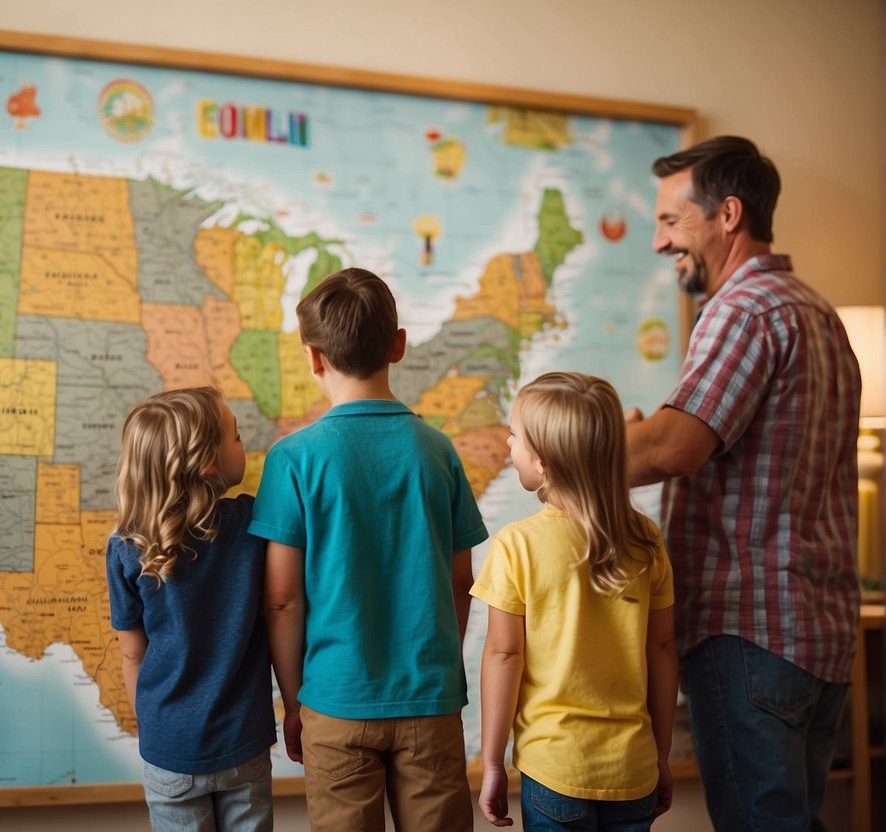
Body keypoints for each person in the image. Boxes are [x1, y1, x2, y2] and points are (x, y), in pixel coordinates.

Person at [625, 135, 862, 831]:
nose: (657, 241)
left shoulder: (741, 310)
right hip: (814, 640)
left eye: (671, 221)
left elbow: (673, 448)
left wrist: (572, 450)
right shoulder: (816, 313)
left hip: (747, 634)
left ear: (727, 214)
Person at [248, 267, 489, 831]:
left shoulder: (293, 459)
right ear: (399, 346)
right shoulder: (438, 452)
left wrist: (294, 699)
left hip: (334, 700)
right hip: (429, 699)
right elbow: (460, 583)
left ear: (313, 358)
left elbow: (281, 602)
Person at [472, 371, 677, 831]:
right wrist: (662, 755)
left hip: (554, 770)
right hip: (634, 768)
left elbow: (504, 655)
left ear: (543, 461)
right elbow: (661, 650)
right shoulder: (647, 540)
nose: (508, 444)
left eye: (515, 436)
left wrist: (491, 765)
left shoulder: (516, 546)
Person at [106, 386, 276, 831]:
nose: (246, 445)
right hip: (244, 739)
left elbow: (131, 652)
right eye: (237, 437)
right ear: (208, 463)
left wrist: (152, 729)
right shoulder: (254, 523)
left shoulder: (126, 547)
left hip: (169, 747)